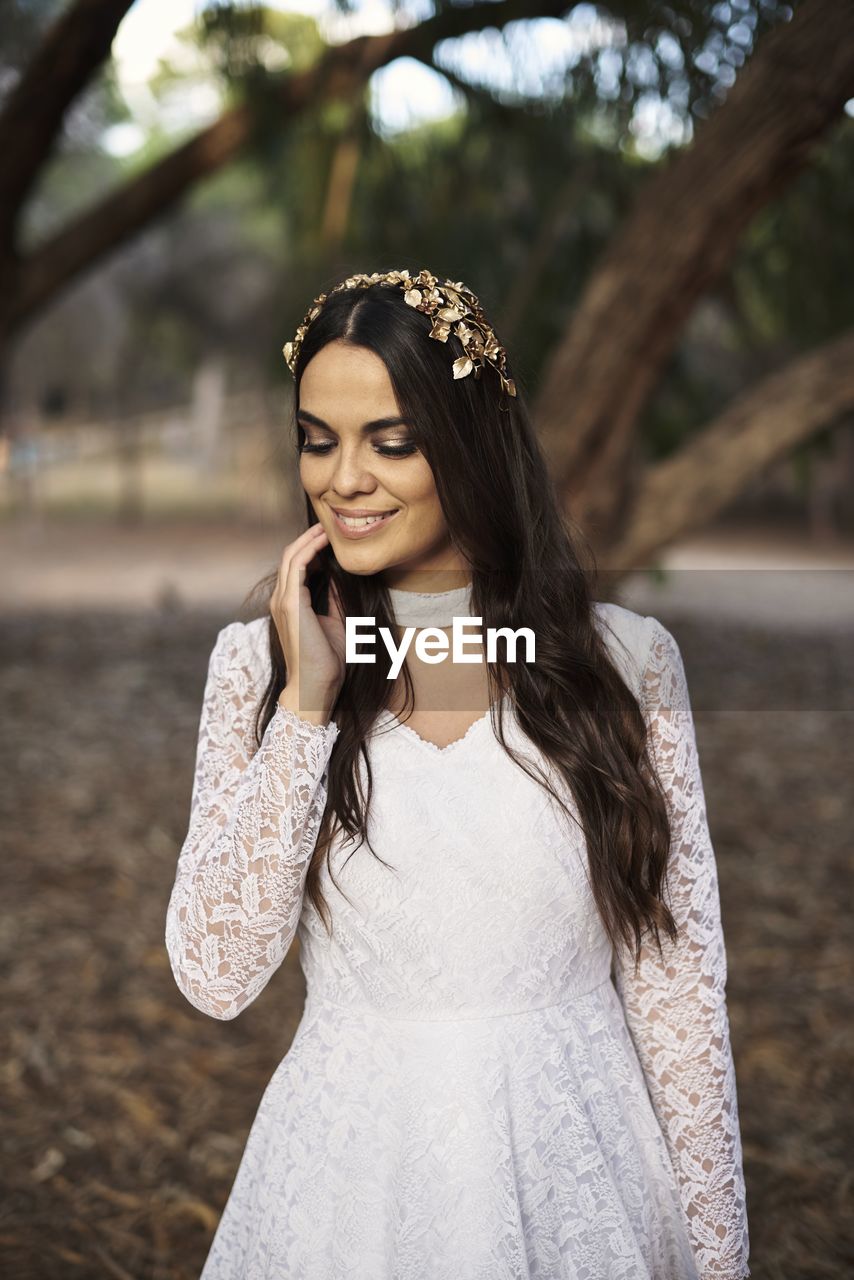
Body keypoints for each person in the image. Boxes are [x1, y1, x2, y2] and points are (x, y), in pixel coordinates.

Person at [164, 267, 751, 1279]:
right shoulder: (254, 665)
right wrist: (306, 707)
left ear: (472, 439)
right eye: (318, 438)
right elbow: (215, 976)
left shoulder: (623, 664)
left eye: (390, 440)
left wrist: (719, 1258)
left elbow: (677, 995)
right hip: (349, 1194)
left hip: (577, 1173)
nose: (344, 478)